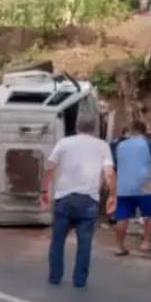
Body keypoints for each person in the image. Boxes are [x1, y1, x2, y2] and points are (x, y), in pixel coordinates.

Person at [41, 114, 116, 289]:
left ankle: (55, 276)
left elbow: (50, 167)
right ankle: (80, 280)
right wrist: (113, 195)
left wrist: (44, 190)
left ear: (76, 127)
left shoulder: (64, 143)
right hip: (88, 201)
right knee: (85, 242)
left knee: (58, 240)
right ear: (94, 129)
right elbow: (110, 173)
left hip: (64, 198)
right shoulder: (102, 146)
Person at [114, 120, 151, 255]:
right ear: (144, 131)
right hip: (143, 186)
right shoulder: (149, 144)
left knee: (122, 217)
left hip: (123, 186)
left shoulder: (119, 145)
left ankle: (119, 246)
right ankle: (146, 243)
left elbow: (115, 163)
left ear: (131, 130)